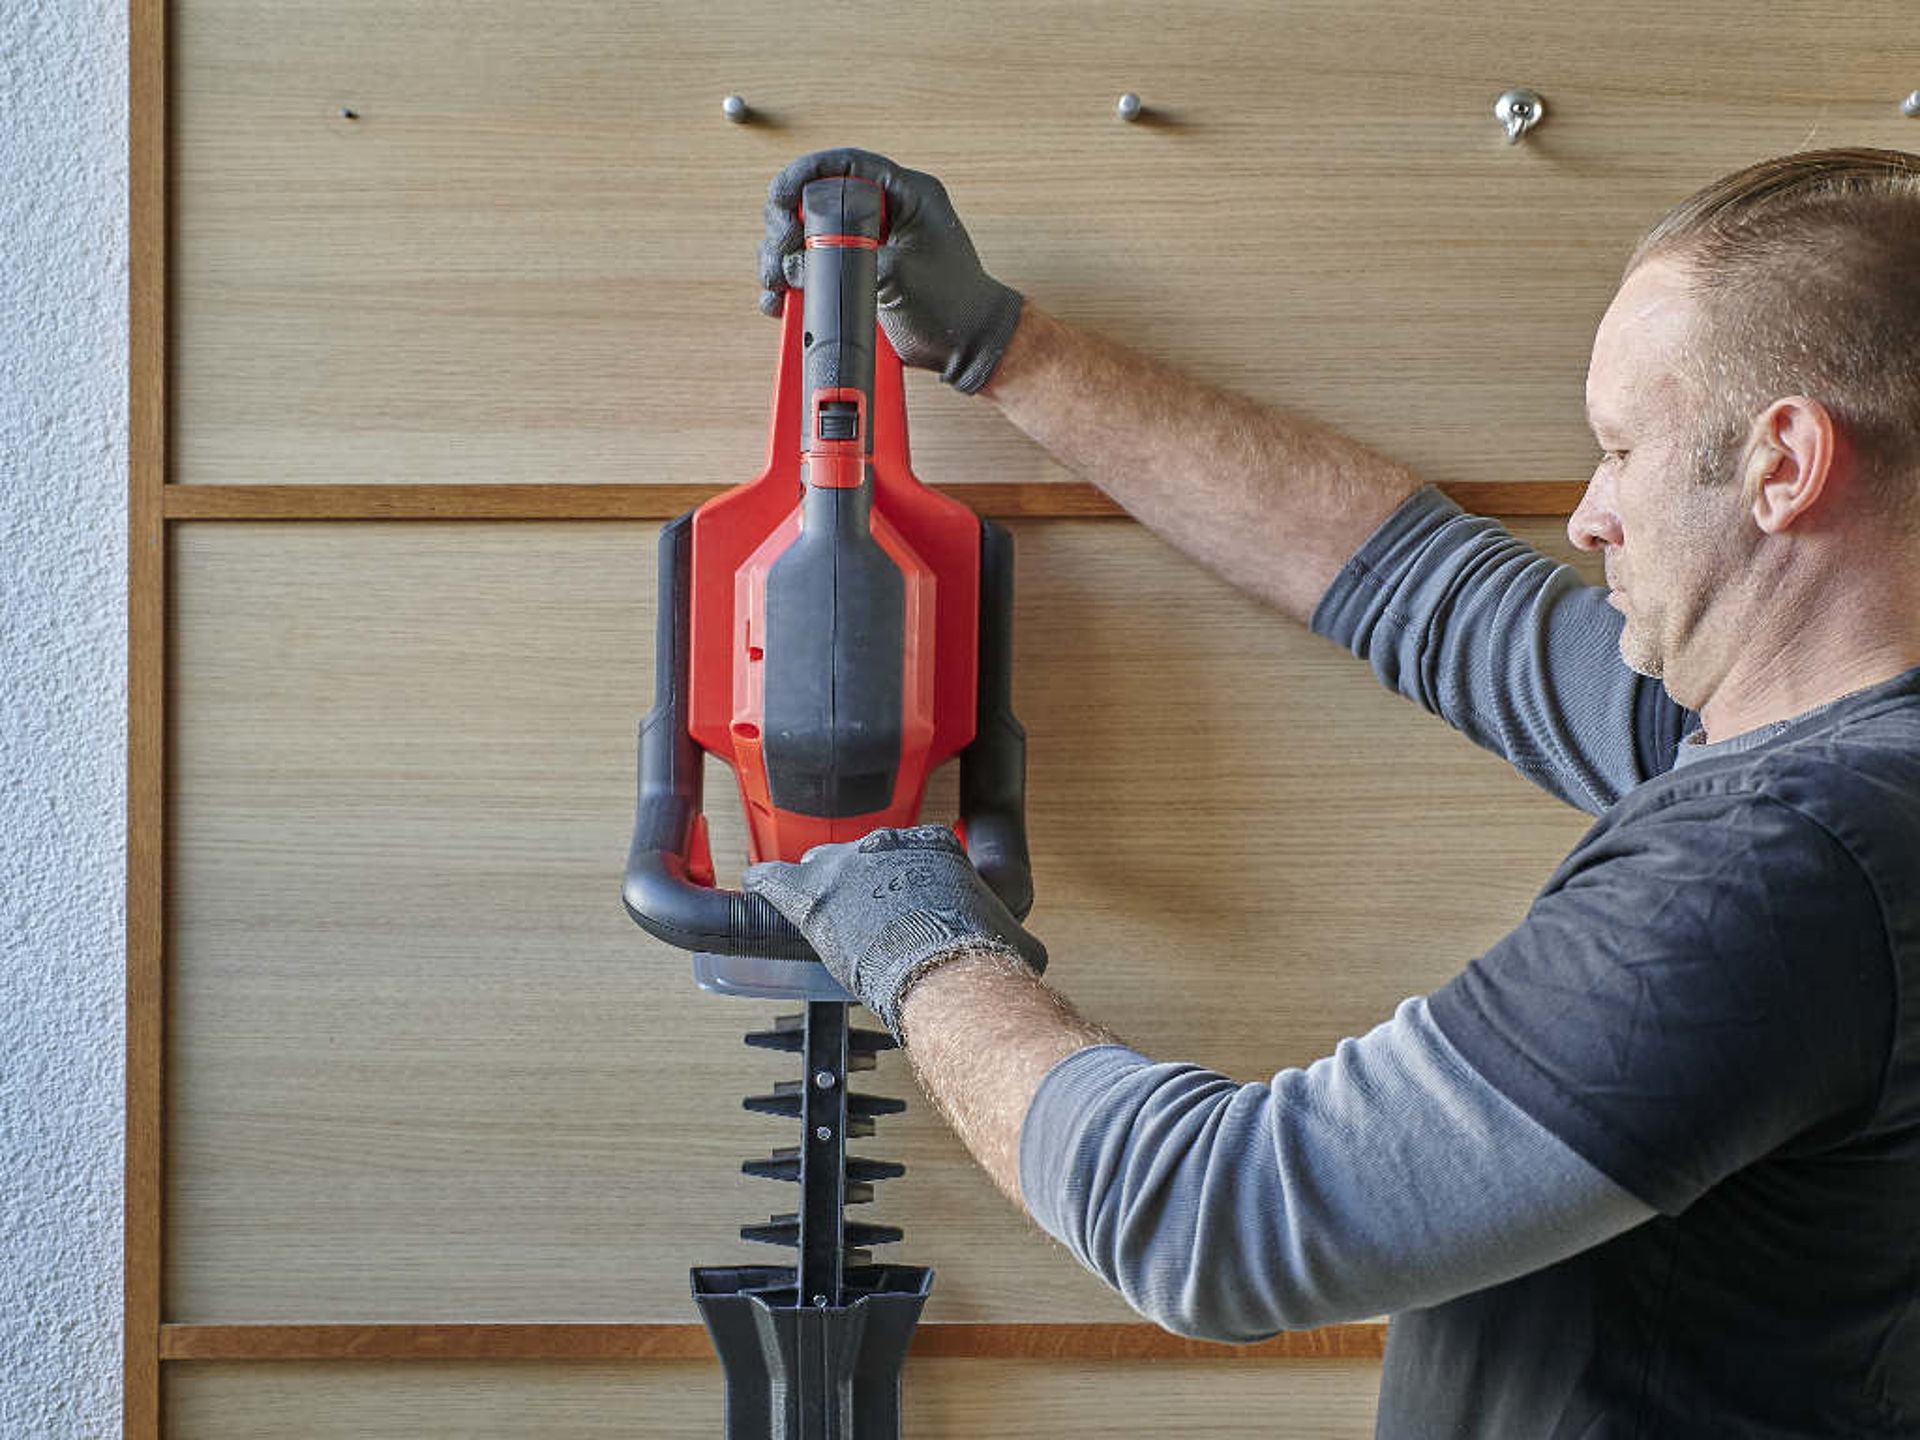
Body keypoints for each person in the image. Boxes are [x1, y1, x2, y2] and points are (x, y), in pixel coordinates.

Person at [740, 147, 1920, 1435]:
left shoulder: (1782, 867)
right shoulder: (1801, 747)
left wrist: (918, 945)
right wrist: (995, 344)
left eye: (1622, 450)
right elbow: (1418, 590)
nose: (1587, 517)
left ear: (1783, 465)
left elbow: (1216, 1219)